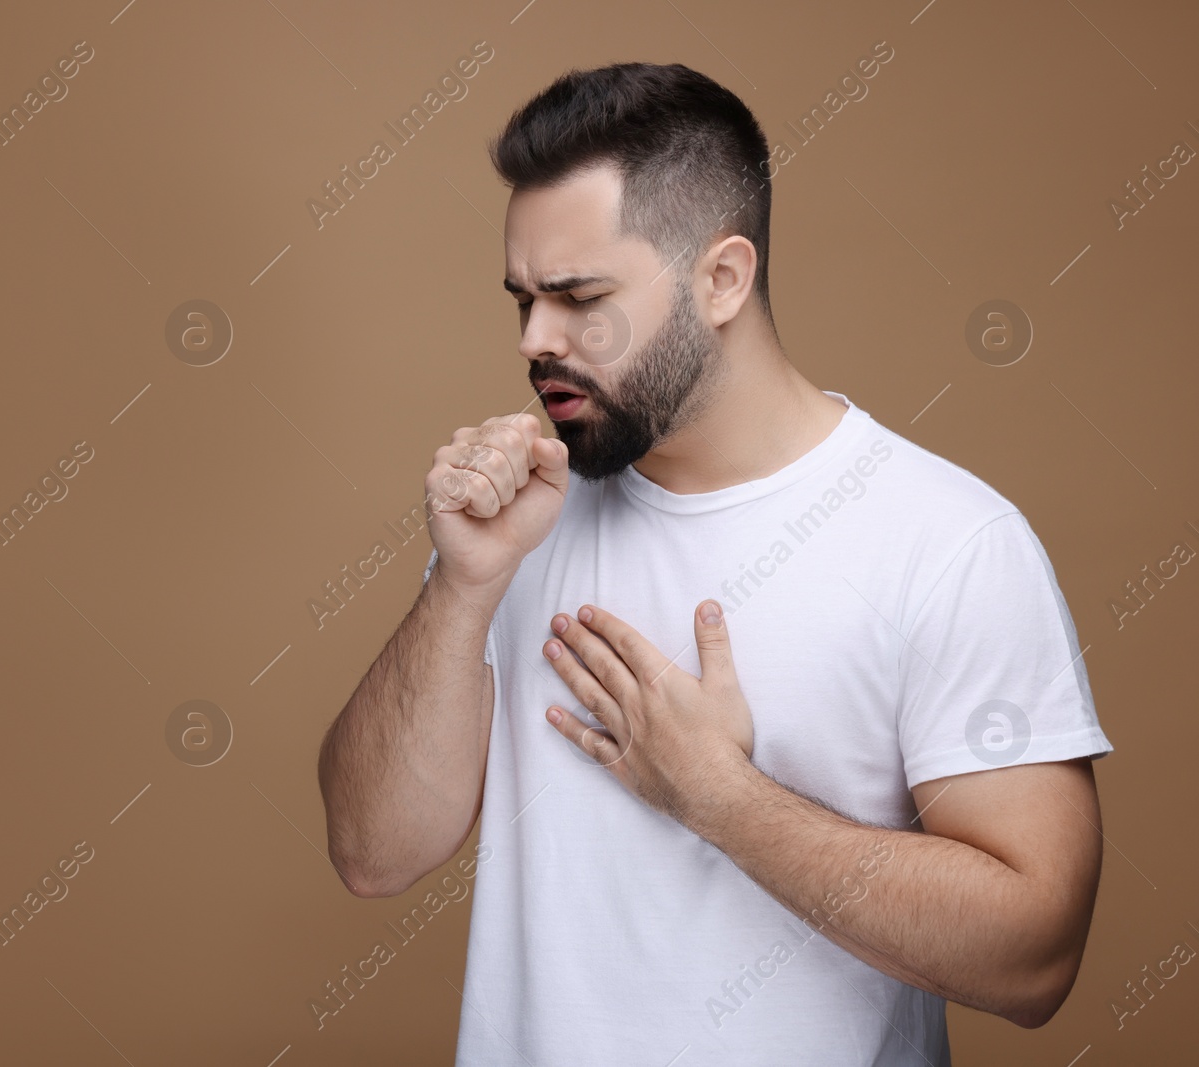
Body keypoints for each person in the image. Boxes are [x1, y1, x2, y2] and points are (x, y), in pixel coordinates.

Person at [316, 61, 1111, 1066]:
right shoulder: (524, 516)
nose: (533, 338)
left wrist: (716, 793)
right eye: (522, 298)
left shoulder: (945, 541)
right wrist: (462, 585)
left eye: (577, 297)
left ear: (721, 278)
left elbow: (1033, 958)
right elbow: (371, 852)